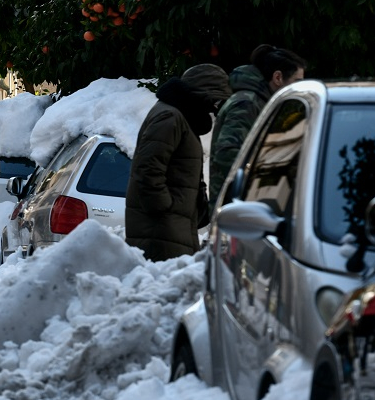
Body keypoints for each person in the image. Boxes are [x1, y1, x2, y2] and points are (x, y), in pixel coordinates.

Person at [126, 63, 232, 262]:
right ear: (203, 95)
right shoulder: (170, 117)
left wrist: (198, 209)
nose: (215, 109)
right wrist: (165, 208)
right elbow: (147, 169)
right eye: (215, 102)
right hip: (161, 229)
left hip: (172, 227)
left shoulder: (181, 118)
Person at [209, 45, 306, 201]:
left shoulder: (259, 101)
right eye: (296, 81)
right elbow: (227, 155)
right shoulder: (247, 103)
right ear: (278, 78)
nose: (299, 89)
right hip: (235, 207)